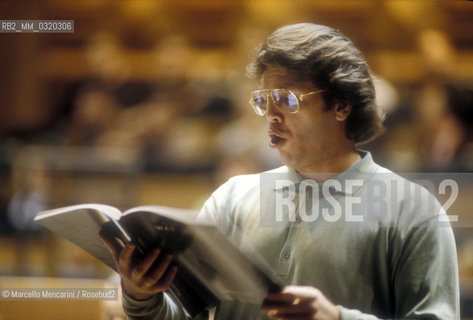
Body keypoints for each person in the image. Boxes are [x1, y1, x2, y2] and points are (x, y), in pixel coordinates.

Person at [101, 23, 459, 319]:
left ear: (341, 105)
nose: (271, 115)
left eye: (287, 99)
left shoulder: (413, 209)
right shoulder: (231, 197)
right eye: (263, 100)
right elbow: (181, 314)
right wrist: (140, 294)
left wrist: (337, 318)